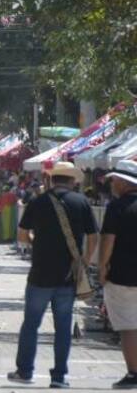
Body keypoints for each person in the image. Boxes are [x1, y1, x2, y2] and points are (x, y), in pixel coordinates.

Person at [8, 162, 98, 389]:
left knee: (31, 324)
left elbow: (21, 234)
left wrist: (34, 244)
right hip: (68, 276)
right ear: (72, 180)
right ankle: (59, 377)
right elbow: (93, 236)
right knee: (63, 327)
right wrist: (84, 261)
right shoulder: (81, 202)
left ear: (52, 179)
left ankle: (25, 371)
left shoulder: (38, 202)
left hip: (40, 273)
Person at [98, 161, 137, 389]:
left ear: (123, 182)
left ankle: (133, 372)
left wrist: (102, 268)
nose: (112, 184)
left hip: (123, 274)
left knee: (128, 326)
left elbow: (108, 240)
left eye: (113, 180)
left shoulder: (118, 207)